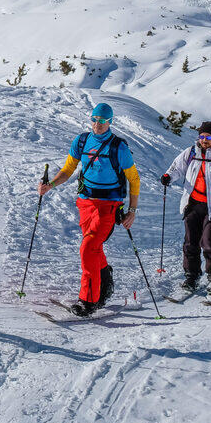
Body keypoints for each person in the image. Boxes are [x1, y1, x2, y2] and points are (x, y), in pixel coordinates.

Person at [38, 102, 139, 317]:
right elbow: (68, 169)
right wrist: (51, 185)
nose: (98, 124)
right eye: (94, 119)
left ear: (110, 122)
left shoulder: (118, 147)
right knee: (93, 248)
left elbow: (134, 179)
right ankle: (105, 283)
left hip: (109, 206)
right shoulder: (81, 141)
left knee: (88, 247)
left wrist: (132, 210)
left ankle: (88, 301)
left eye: (102, 121)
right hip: (85, 203)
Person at [160, 121, 211, 298]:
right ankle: (192, 276)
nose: (204, 140)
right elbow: (177, 167)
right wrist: (169, 176)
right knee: (190, 241)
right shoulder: (191, 152)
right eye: (201, 137)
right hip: (193, 204)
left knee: (208, 242)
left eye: (208, 137)